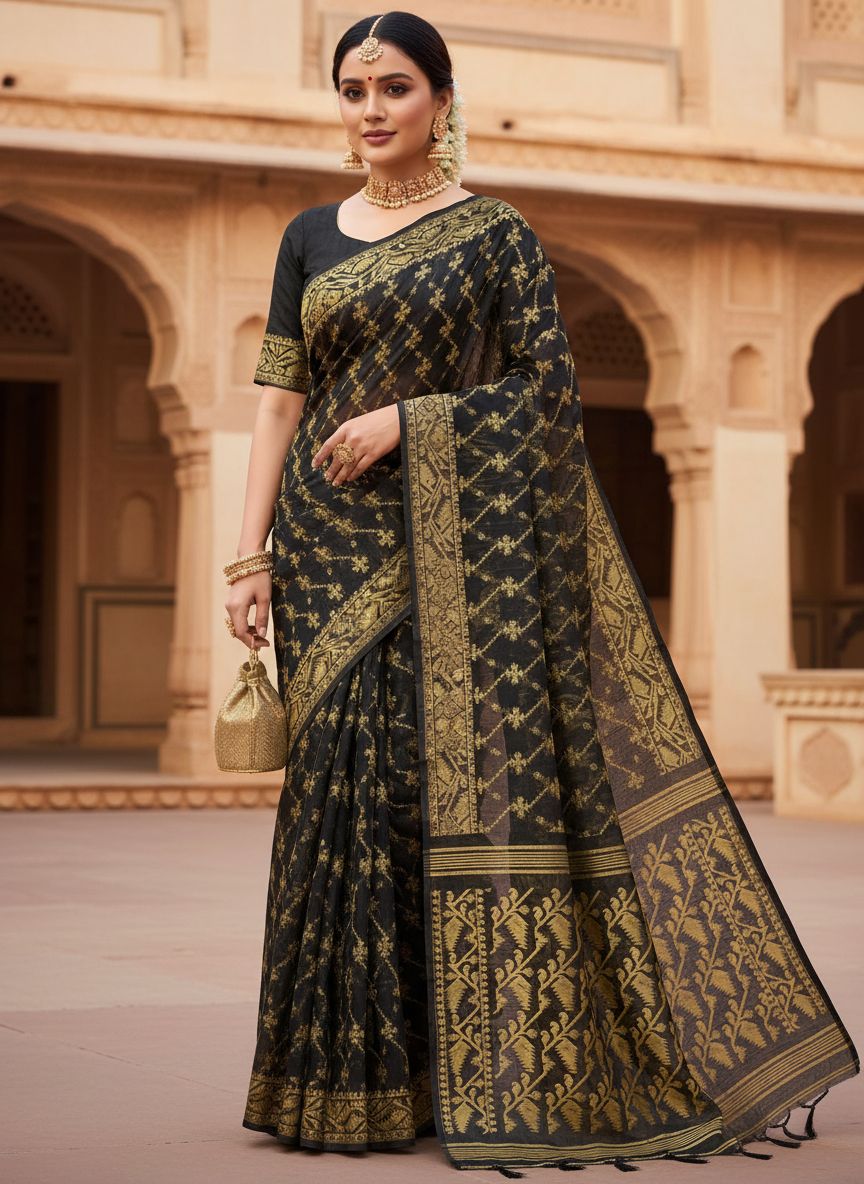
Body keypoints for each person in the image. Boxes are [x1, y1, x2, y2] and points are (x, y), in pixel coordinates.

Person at [226, 10, 859, 1177]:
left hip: (447, 556)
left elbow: (548, 391)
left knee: (427, 789)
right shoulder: (307, 236)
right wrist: (249, 552)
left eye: (396, 88)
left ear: (443, 99)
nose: (372, 110)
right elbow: (276, 399)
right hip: (323, 550)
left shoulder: (493, 235)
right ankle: (338, 1075)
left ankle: (464, 1062)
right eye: (354, 89)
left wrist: (408, 420)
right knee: (338, 798)